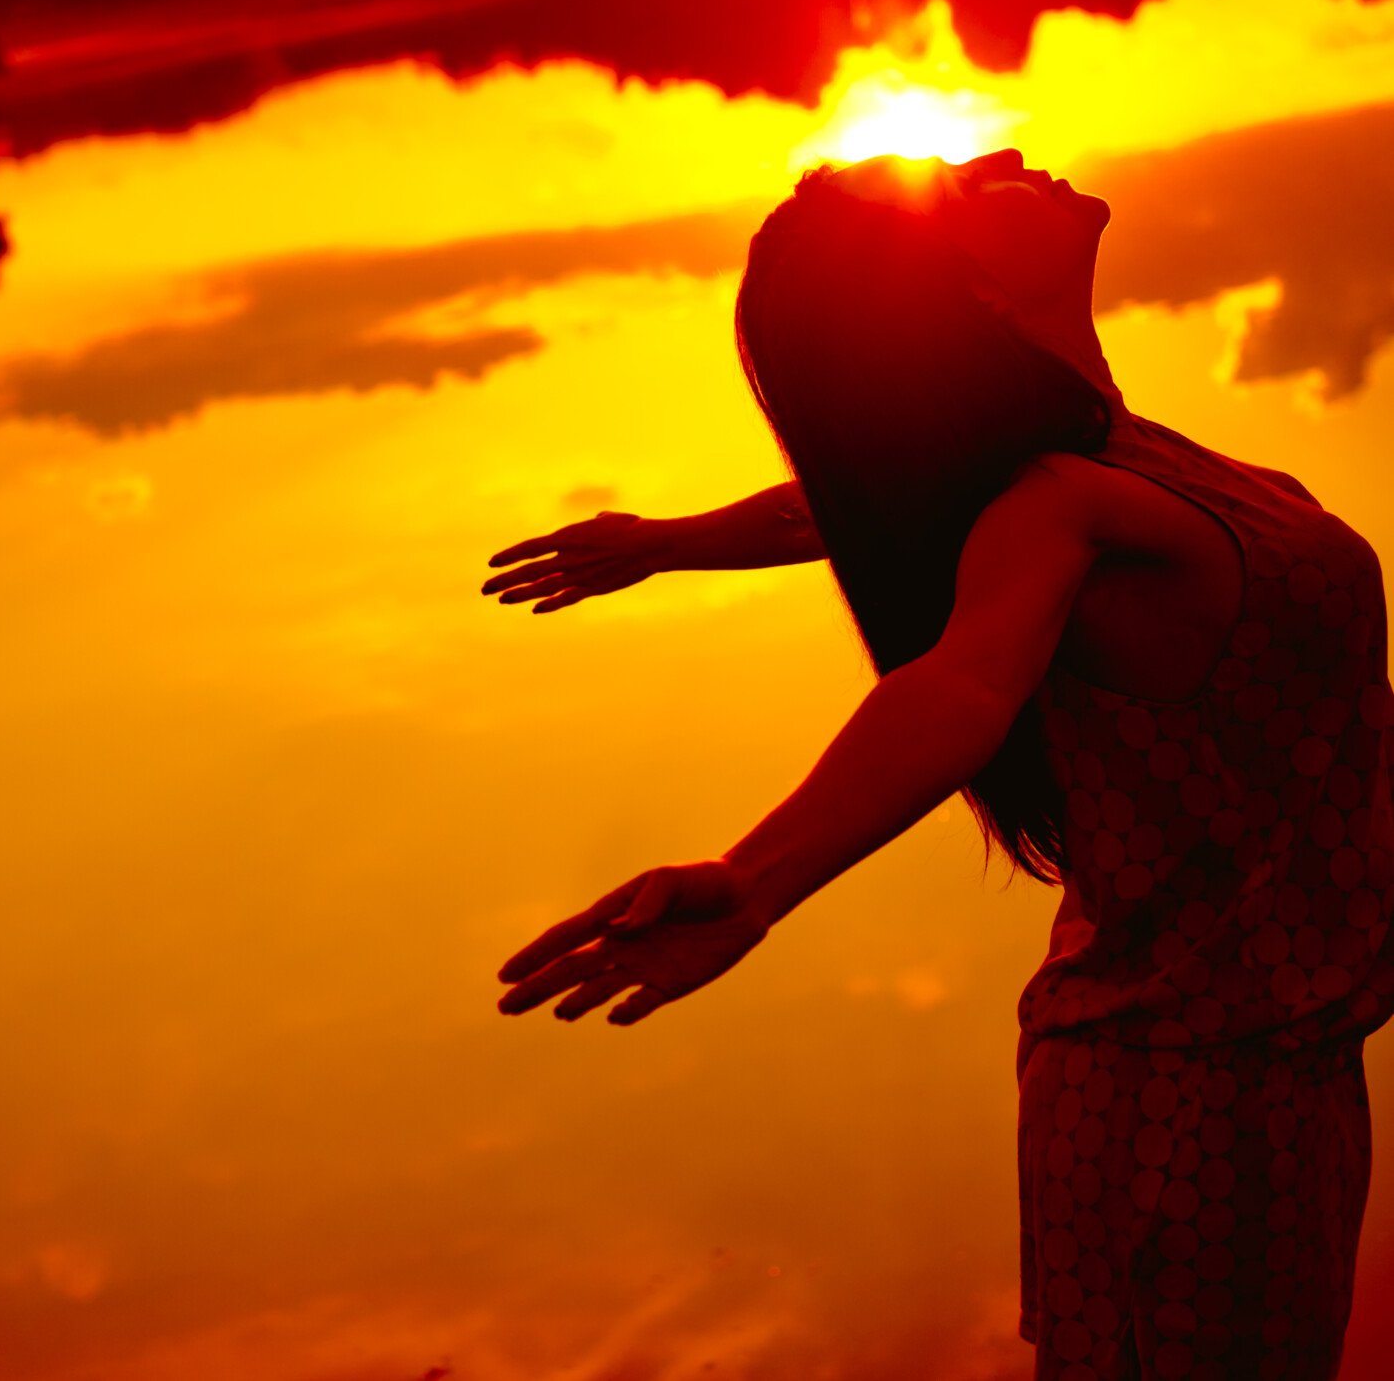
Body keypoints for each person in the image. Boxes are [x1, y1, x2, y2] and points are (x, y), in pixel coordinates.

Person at [485, 149, 1394, 1380]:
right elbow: (961, 684)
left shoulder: (1127, 461)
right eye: (958, 189)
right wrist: (755, 880)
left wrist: (667, 541)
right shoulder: (1058, 510)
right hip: (1182, 1098)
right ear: (965, 294)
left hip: (1274, 1069)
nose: (1001, 156)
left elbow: (854, 502)